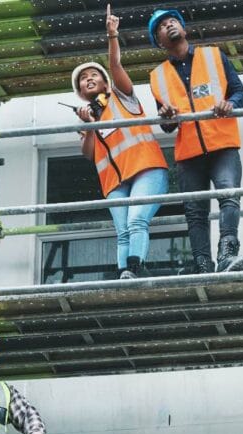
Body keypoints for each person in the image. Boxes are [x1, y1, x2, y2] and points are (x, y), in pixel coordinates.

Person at [147, 8, 243, 274]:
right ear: (159, 41)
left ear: (184, 30)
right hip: (189, 152)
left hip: (222, 144)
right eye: (162, 26)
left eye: (173, 21)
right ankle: (202, 264)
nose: (169, 25)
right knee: (195, 212)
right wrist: (167, 116)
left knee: (229, 196)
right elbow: (167, 126)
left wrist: (230, 103)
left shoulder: (214, 56)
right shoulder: (157, 76)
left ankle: (227, 256)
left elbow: (240, 94)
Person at [72, 4, 169, 280]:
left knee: (137, 220)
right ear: (80, 92)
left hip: (146, 168)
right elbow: (89, 154)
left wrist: (112, 35)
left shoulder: (122, 96)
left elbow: (115, 65)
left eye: (93, 75)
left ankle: (136, 269)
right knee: (122, 230)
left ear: (105, 83)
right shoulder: (89, 117)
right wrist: (90, 126)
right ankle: (123, 274)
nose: (88, 79)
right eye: (83, 79)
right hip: (115, 182)